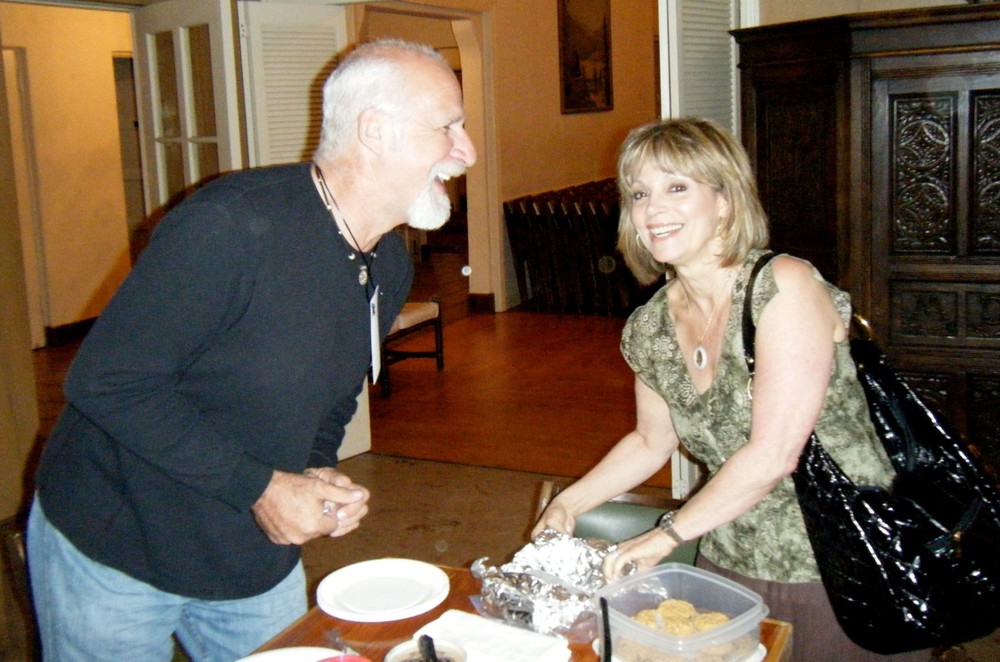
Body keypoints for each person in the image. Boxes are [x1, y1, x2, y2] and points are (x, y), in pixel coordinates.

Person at [27, 38, 476, 661]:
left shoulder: (388, 264)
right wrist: (261, 488)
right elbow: (108, 382)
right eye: (447, 126)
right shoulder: (228, 226)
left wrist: (311, 470)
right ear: (374, 130)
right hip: (118, 542)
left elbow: (334, 394)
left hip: (248, 548)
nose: (466, 150)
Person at [533, 118, 931, 661]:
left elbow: (775, 454)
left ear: (724, 200)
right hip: (727, 555)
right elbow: (651, 441)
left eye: (677, 187)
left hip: (844, 559)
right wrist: (569, 504)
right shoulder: (650, 327)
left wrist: (668, 536)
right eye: (640, 194)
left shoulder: (782, 288)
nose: (653, 209)